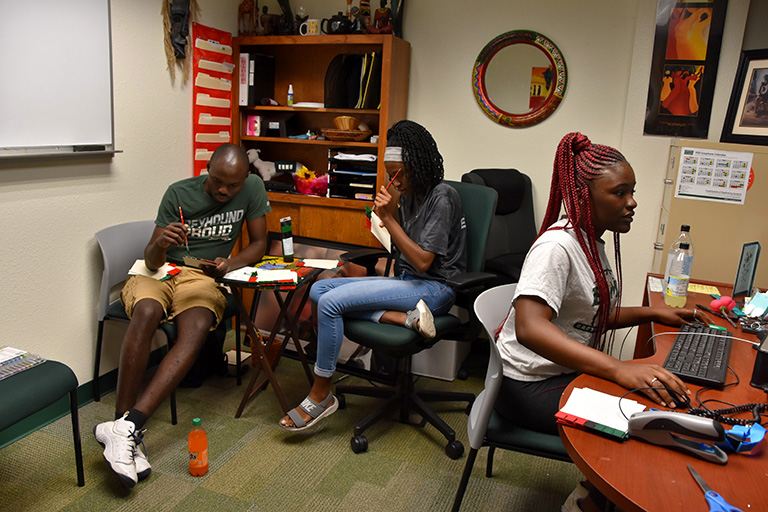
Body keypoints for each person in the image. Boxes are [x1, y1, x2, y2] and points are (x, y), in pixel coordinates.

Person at [495, 132, 706, 439]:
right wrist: (617, 368)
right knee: (644, 424)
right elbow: (529, 328)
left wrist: (653, 314)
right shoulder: (556, 247)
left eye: (632, 192)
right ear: (583, 197)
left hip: (558, 372)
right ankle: (593, 488)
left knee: (659, 406)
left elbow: (589, 317)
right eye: (620, 193)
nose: (632, 202)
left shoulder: (591, 243)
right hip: (527, 384)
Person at [93, 144, 270, 488]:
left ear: (245, 179)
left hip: (202, 278)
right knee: (146, 312)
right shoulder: (177, 192)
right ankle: (124, 428)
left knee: (197, 326)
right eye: (217, 181)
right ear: (207, 169)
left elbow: (259, 242)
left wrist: (229, 264)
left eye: (232, 185)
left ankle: (125, 431)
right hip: (159, 271)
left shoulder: (252, 188)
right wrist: (161, 243)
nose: (224, 190)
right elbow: (152, 259)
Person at [279, 120, 466, 431]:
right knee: (318, 291)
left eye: (400, 172)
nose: (395, 180)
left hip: (436, 288)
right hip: (408, 284)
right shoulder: (408, 196)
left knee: (330, 304)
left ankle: (321, 393)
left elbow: (422, 261)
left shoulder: (442, 196)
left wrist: (389, 218)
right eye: (390, 172)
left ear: (419, 165)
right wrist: (388, 220)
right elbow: (402, 252)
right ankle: (405, 319)